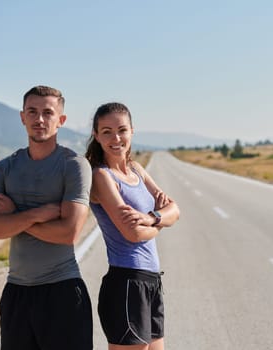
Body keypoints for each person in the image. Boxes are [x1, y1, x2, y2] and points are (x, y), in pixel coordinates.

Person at [0, 85, 93, 350]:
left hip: (62, 291)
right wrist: (39, 214)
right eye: (32, 112)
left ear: (61, 120)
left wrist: (14, 217)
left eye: (47, 113)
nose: (39, 119)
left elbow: (69, 233)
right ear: (22, 117)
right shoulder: (4, 168)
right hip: (16, 294)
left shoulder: (73, 166)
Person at [85, 102, 180, 350]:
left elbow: (175, 210)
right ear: (96, 135)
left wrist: (151, 218)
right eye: (106, 131)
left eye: (122, 130)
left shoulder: (137, 169)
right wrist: (160, 221)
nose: (116, 138)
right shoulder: (102, 177)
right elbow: (133, 233)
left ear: (132, 131)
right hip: (126, 283)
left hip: (151, 282)